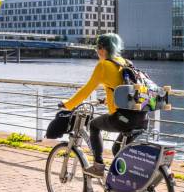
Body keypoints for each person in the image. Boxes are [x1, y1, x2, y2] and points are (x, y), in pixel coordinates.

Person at [60, 33, 148, 177]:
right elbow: (124, 89)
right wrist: (107, 100)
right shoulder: (125, 62)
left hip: (123, 118)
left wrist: (68, 104)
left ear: (102, 49)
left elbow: (86, 90)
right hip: (142, 116)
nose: (96, 52)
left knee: (94, 125)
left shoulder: (103, 65)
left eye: (97, 48)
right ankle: (126, 185)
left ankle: (98, 166)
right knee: (117, 150)